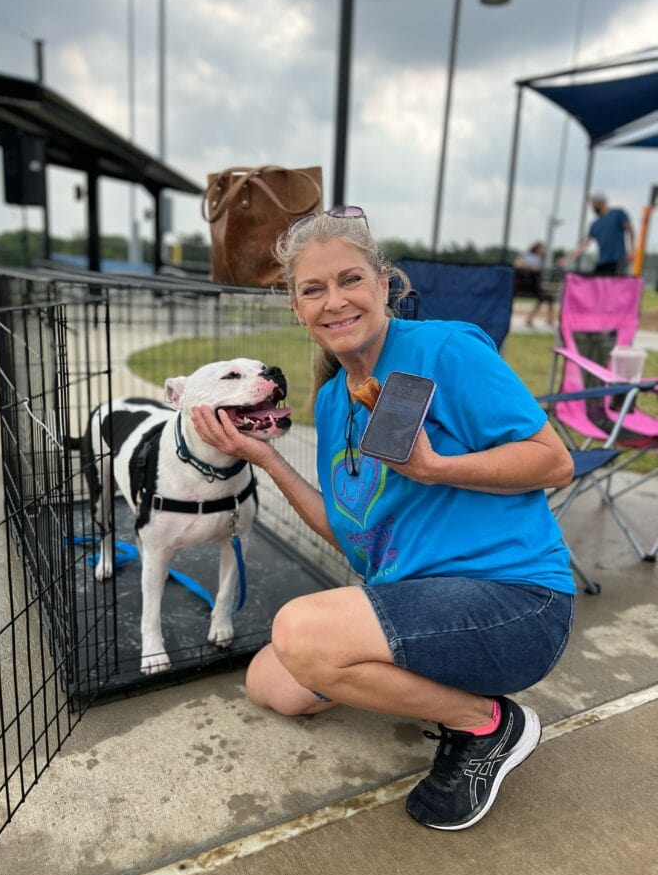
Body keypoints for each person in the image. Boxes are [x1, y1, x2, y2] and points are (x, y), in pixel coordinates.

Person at [192, 207, 576, 832]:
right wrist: (263, 456)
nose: (334, 301)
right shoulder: (334, 398)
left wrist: (437, 469)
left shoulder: (445, 349)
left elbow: (555, 463)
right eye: (312, 289)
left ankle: (486, 724)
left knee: (299, 632)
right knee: (274, 683)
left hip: (518, 604)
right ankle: (442, 694)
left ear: (383, 284)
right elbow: (350, 530)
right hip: (417, 603)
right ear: (296, 306)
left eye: (349, 280)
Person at [561, 193, 635, 275]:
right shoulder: (594, 225)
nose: (592, 207)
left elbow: (630, 231)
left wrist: (631, 250)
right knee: (597, 284)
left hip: (618, 260)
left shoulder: (618, 214)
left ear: (601, 203)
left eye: (594, 204)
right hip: (602, 261)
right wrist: (568, 259)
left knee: (614, 285)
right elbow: (583, 245)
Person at [513, 240, 555, 328]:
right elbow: (517, 264)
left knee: (546, 296)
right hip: (524, 285)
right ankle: (534, 319)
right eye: (542, 249)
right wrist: (530, 267)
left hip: (533, 286)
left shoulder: (539, 259)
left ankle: (533, 319)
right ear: (537, 249)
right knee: (546, 296)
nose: (544, 251)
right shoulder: (528, 256)